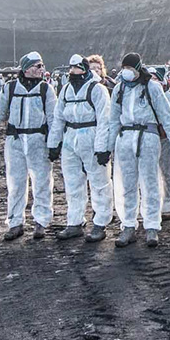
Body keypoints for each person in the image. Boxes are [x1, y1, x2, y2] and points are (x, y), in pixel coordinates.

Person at [97, 52, 170, 247]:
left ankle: (151, 226)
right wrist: (107, 147)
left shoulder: (152, 87)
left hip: (148, 136)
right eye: (124, 68)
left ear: (138, 68)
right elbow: (114, 119)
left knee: (150, 183)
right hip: (125, 138)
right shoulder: (119, 90)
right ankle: (128, 225)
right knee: (128, 184)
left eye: (130, 68)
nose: (126, 72)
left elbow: (166, 116)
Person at [0, 52, 56, 240]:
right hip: (15, 140)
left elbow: (53, 118)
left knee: (42, 182)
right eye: (38, 66)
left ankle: (41, 221)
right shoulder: (10, 89)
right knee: (15, 184)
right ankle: (15, 222)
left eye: (42, 66)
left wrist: (54, 143)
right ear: (26, 69)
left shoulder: (46, 90)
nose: (42, 69)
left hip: (38, 140)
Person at [53, 53, 112, 240]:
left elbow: (105, 119)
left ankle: (100, 223)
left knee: (99, 182)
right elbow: (58, 118)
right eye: (71, 68)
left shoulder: (97, 89)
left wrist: (103, 147)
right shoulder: (66, 90)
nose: (72, 71)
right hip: (71, 138)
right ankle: (74, 221)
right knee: (72, 183)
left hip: (91, 136)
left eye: (76, 68)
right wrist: (53, 143)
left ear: (84, 69)